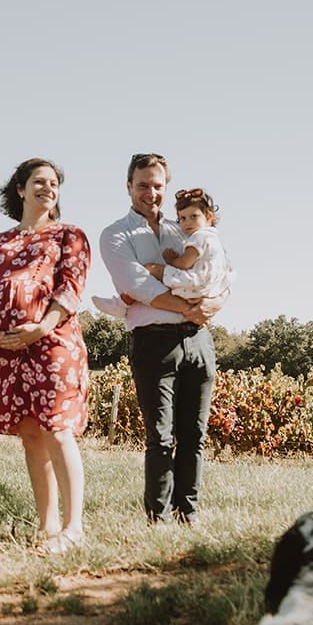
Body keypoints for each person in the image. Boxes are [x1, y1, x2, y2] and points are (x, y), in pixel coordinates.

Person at [99, 154, 228, 526]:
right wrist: (192, 307)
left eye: (157, 186)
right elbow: (139, 287)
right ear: (128, 186)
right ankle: (160, 516)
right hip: (154, 342)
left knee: (195, 434)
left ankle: (189, 512)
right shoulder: (116, 235)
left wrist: (214, 303)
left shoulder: (187, 228)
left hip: (199, 340)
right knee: (160, 436)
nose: (150, 193)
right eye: (143, 185)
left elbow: (221, 271)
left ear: (165, 188)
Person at [0, 158, 91, 555]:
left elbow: (71, 289)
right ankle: (48, 525)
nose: (48, 187)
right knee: (30, 436)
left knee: (58, 430)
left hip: (52, 344)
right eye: (39, 181)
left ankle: (74, 528)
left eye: (54, 182)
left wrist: (41, 328)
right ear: (20, 189)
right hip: (5, 351)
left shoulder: (69, 236)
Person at [92, 187, 232, 316]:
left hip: (195, 283)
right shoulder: (214, 238)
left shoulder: (199, 236)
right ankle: (122, 303)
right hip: (208, 289)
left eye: (193, 216)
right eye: (183, 218)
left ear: (208, 217)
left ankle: (121, 304)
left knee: (150, 270)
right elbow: (229, 273)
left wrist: (171, 260)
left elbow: (184, 263)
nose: (187, 223)